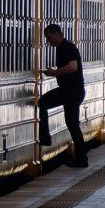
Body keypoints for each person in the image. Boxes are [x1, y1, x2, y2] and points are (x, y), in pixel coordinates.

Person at [38, 24, 88, 168]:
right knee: (72, 125)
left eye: (49, 37)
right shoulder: (62, 47)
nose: (48, 41)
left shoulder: (67, 47)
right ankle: (81, 159)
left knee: (44, 103)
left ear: (58, 34)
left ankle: (46, 138)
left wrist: (54, 72)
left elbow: (73, 67)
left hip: (71, 92)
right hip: (70, 91)